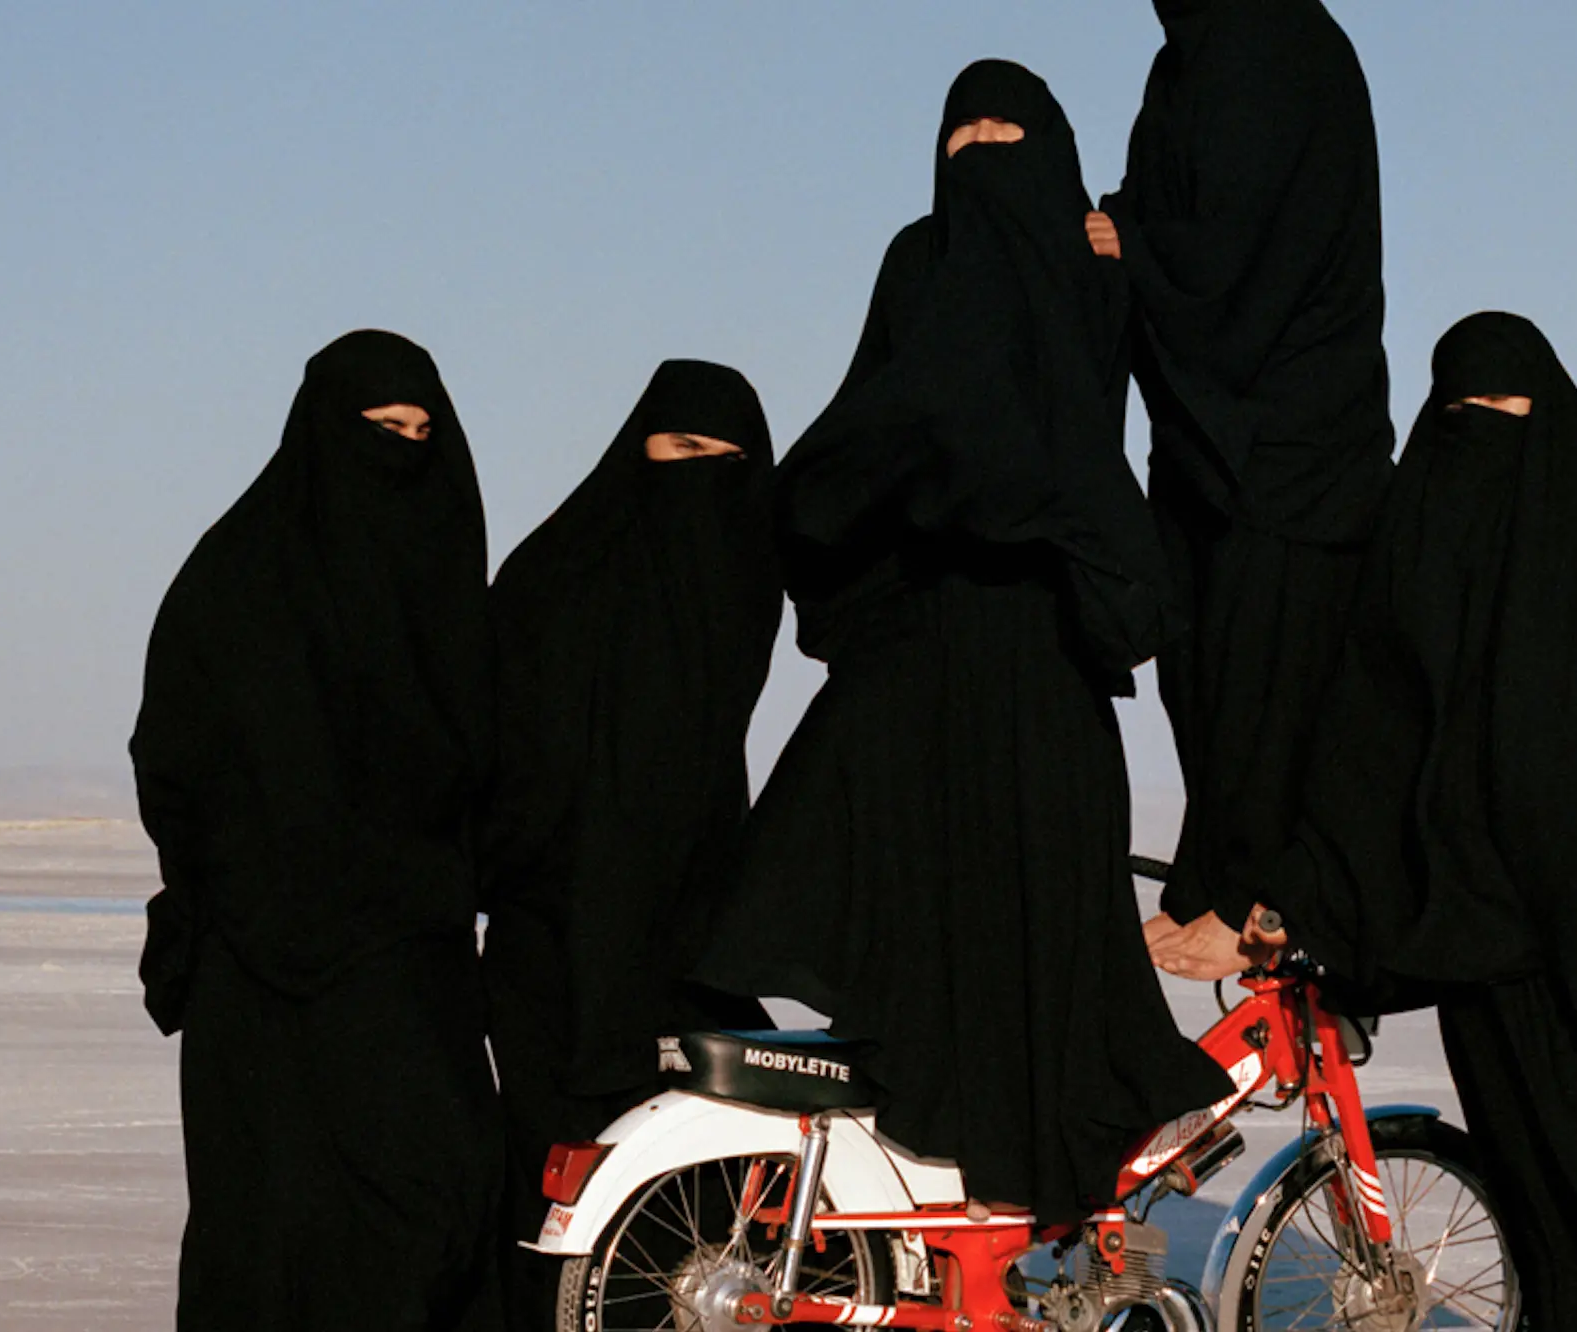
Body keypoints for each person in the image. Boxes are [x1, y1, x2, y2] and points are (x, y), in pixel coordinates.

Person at [694, 59, 1231, 1224]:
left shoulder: (1095, 270)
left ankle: (1010, 1218)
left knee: (1042, 923)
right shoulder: (921, 259)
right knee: (896, 909)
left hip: (1041, 643)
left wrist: (1121, 260)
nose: (984, 152)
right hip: (930, 639)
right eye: (963, 137)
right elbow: (892, 412)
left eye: (1010, 133)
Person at [1195, 312, 1577, 1330]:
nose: (1479, 432)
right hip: (1480, 939)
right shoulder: (1431, 546)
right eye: (1457, 414)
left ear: (1546, 411)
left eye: (1503, 409)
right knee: (1537, 1221)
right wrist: (1303, 889)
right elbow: (1379, 745)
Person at [130, 330, 503, 1331]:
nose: (404, 451)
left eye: (424, 432)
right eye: (381, 429)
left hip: (406, 954)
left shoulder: (440, 597)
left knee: (440, 1201)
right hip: (260, 968)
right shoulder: (235, 581)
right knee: (270, 1232)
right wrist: (248, 883)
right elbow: (172, 757)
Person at [1096, 0, 1401, 981]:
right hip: (1202, 442)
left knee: (1268, 681)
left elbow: (1241, 248)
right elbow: (1161, 210)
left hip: (1289, 441)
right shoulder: (1189, 64)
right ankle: (1209, 884)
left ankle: (1250, 902)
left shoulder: (1276, 46)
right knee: (1205, 676)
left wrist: (1129, 250)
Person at [479, 359, 783, 1328]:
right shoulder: (559, 579)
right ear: (637, 447)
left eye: (733, 463)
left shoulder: (731, 587)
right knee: (561, 1219)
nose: (706, 478)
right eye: (684, 450)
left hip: (684, 956)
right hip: (558, 956)